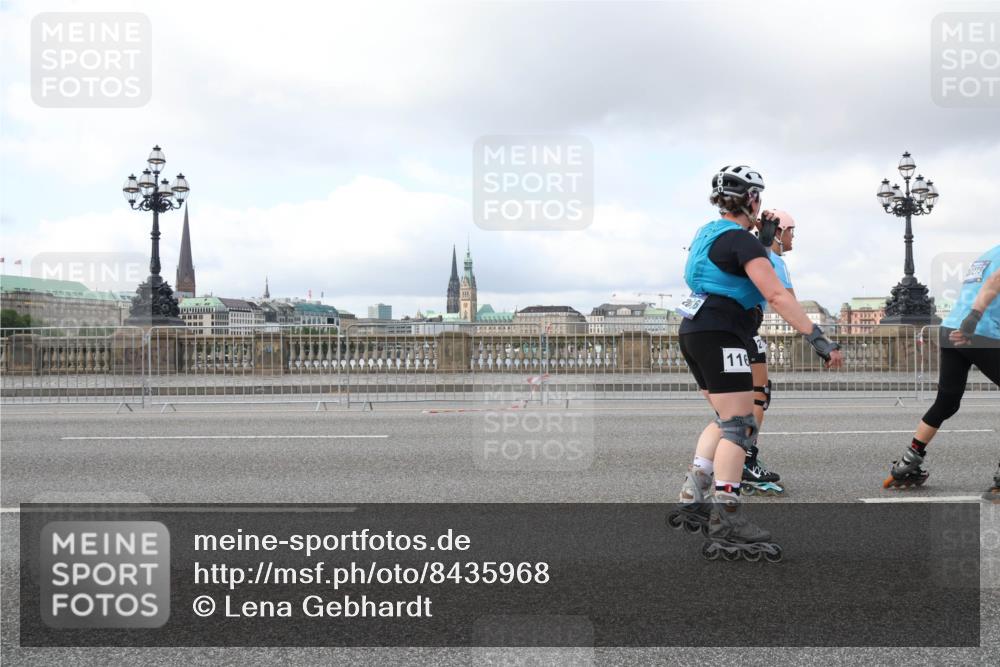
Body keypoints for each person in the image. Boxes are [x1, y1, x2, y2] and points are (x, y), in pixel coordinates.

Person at [666, 165, 843, 562]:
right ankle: (726, 519)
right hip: (722, 332)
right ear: (751, 199)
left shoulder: (706, 234)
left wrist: (758, 240)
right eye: (757, 198)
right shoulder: (740, 243)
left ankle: (694, 494)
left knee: (723, 419)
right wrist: (817, 337)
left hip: (695, 331)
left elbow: (721, 265)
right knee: (740, 427)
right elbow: (777, 295)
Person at [883, 244, 1000, 493]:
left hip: (949, 330)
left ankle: (907, 464)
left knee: (946, 402)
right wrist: (973, 319)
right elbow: (994, 283)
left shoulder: (987, 254)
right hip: (976, 331)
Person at [741, 209, 797, 495]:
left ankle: (719, 463)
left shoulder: (749, 251)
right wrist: (817, 338)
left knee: (736, 403)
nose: (793, 237)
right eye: (791, 231)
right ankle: (745, 460)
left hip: (724, 328)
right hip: (747, 329)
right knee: (758, 396)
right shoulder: (775, 261)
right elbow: (789, 303)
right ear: (778, 231)